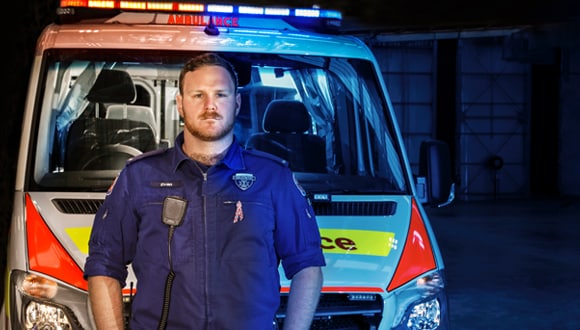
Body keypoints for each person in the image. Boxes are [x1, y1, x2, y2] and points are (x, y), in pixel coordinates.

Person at [84, 52, 325, 330]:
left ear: (237, 103)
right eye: (198, 95)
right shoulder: (138, 177)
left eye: (220, 94)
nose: (210, 105)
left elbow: (307, 266)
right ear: (180, 104)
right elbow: (103, 266)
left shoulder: (273, 178)